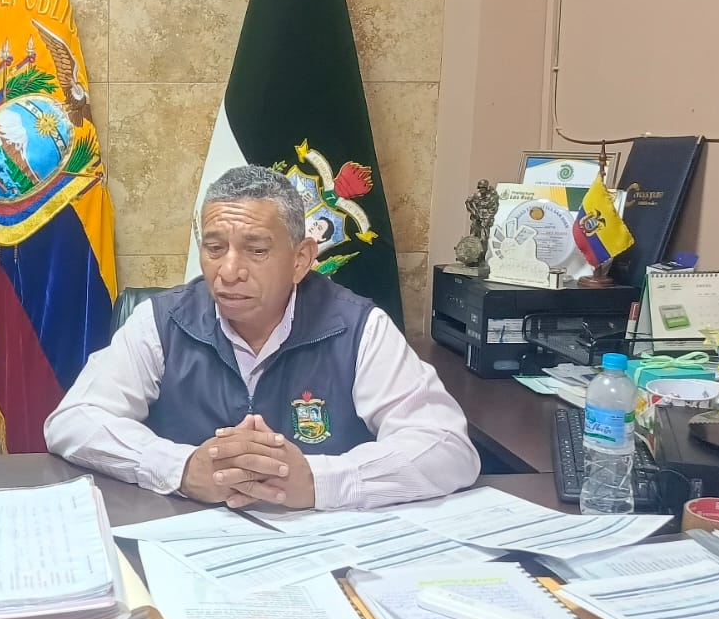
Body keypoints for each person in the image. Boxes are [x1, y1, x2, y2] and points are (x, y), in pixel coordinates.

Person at [45, 165, 479, 511]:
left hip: (319, 551)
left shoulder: (358, 327)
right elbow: (73, 420)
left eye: (256, 250)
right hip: (189, 543)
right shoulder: (163, 320)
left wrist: (318, 482)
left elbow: (448, 447)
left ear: (301, 259)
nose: (229, 270)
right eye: (215, 248)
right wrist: (181, 468)